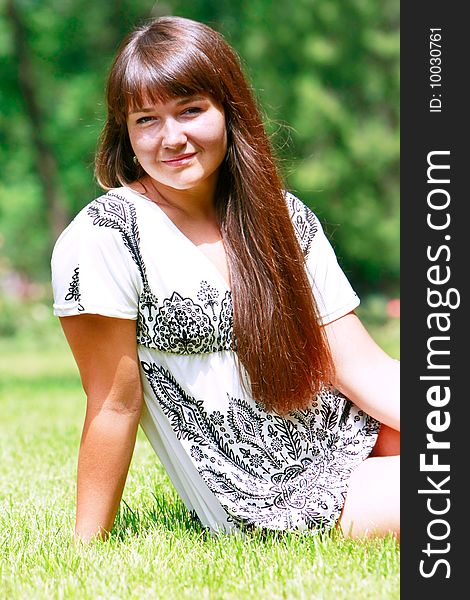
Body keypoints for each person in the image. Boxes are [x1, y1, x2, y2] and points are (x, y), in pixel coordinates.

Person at [51, 15, 399, 544]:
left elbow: (356, 363)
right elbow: (114, 403)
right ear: (124, 130)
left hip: (348, 437)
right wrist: (83, 547)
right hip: (267, 493)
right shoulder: (106, 237)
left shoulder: (280, 216)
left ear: (229, 111)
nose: (172, 138)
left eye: (191, 111)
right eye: (147, 119)